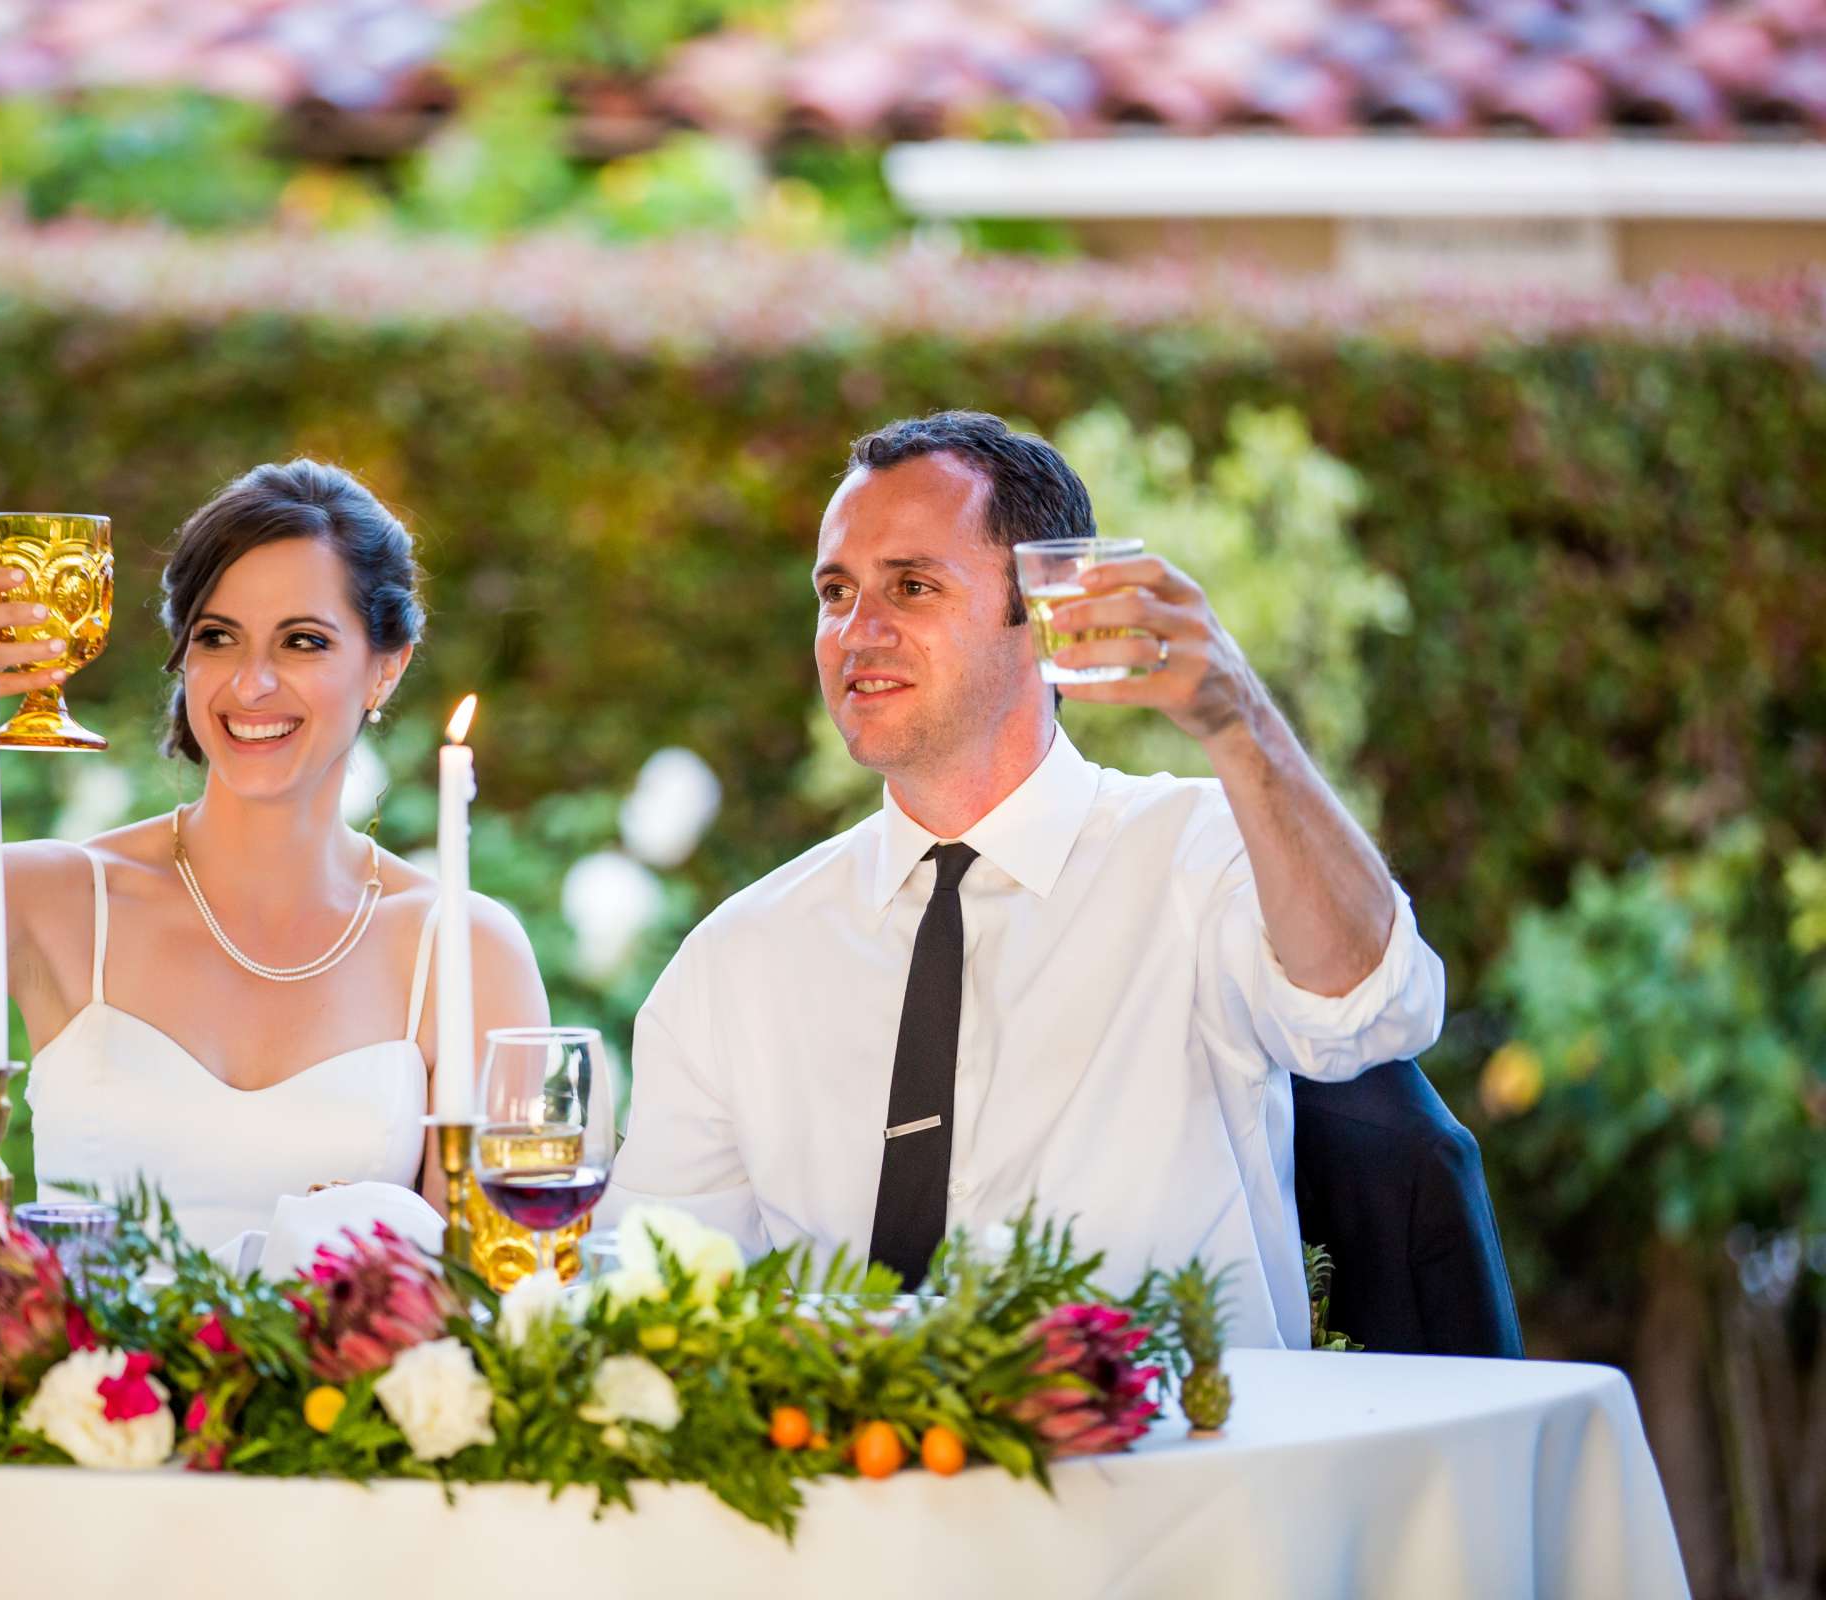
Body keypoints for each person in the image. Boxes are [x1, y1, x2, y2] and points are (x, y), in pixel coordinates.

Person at [601, 411, 1443, 1349]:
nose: (855, 631)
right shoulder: (737, 960)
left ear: (1051, 615)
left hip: (1176, 1480)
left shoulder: (1200, 856)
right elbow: (652, 1300)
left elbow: (1375, 1010)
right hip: (843, 1481)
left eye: (911, 586)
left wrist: (1236, 714)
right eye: (834, 591)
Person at [0, 460, 546, 1255]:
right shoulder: (62, 900)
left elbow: (495, 1283)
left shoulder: (463, 950)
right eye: (218, 637)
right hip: (89, 1379)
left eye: (304, 641)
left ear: (386, 667)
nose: (251, 684)